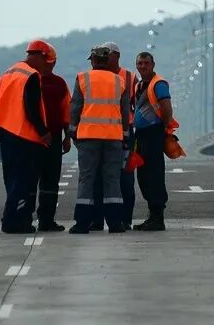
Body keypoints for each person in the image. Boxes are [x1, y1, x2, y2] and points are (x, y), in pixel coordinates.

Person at [0, 45, 52, 234]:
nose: (45, 66)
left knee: (11, 179)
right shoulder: (31, 76)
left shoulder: (10, 71)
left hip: (6, 133)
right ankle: (14, 222)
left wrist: (8, 110)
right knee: (23, 181)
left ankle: (12, 217)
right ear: (39, 56)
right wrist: (43, 132)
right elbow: (32, 108)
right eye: (45, 61)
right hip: (24, 136)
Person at [68, 46, 131, 234]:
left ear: (94, 60)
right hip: (113, 137)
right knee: (112, 179)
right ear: (107, 60)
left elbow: (75, 107)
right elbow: (125, 110)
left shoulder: (83, 78)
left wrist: (72, 131)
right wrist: (125, 134)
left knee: (86, 179)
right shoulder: (119, 81)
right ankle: (115, 223)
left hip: (88, 137)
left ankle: (82, 223)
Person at [90, 41, 137, 230]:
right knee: (97, 177)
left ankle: (124, 219)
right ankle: (97, 219)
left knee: (125, 177)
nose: (104, 57)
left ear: (117, 56)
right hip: (98, 132)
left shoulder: (129, 77)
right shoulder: (93, 76)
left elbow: (137, 104)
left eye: (107, 54)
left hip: (124, 133)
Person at [26, 40, 71, 232]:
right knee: (32, 181)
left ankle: (46, 220)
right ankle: (29, 218)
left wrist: (67, 136)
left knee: (50, 181)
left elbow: (66, 111)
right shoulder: (29, 80)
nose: (50, 66)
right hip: (32, 138)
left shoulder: (59, 83)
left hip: (51, 138)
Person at [132, 51, 177, 231]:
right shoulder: (139, 86)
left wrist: (163, 129)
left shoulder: (159, 84)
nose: (143, 66)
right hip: (141, 135)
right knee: (143, 176)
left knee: (154, 175)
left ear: (153, 65)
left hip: (154, 133)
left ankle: (158, 218)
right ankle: (152, 216)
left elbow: (167, 109)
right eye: (140, 63)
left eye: (146, 63)